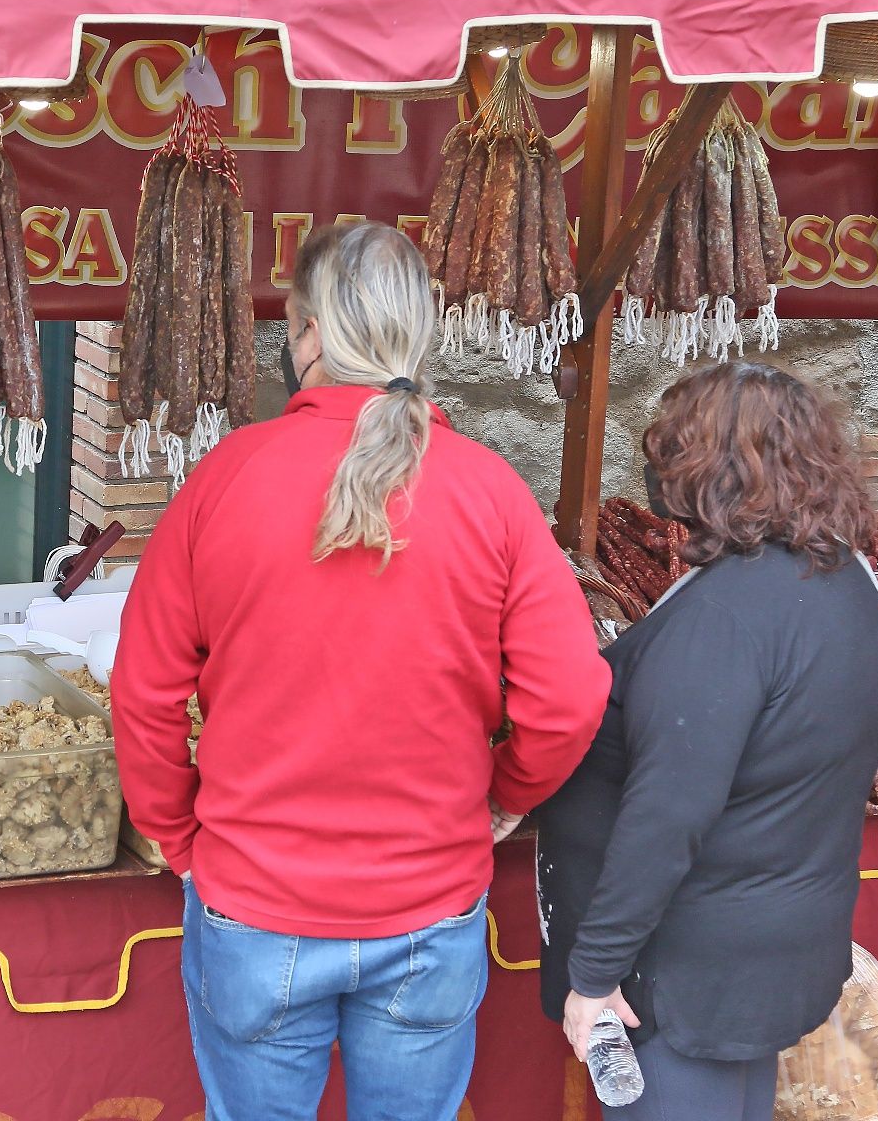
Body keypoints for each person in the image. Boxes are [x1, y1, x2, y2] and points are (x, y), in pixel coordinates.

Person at [111, 222, 610, 1121]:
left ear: (304, 333)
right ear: (424, 329)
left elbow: (143, 693)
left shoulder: (225, 477)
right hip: (428, 906)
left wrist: (177, 836)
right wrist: (503, 797)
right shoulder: (492, 490)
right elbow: (571, 696)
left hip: (254, 901)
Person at [536, 362, 878, 1121]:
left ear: (713, 467)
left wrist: (596, 975)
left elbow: (669, 815)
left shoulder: (728, 614)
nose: (659, 463)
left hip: (685, 971)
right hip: (774, 945)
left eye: (673, 447)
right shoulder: (846, 582)